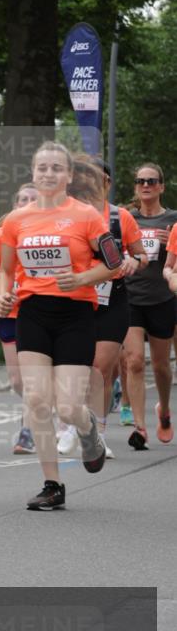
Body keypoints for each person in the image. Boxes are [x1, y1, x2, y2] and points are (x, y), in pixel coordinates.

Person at [0, 141, 122, 511]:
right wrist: (4, 295)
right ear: (33, 173)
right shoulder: (15, 220)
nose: (48, 173)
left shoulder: (86, 216)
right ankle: (52, 484)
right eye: (42, 168)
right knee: (36, 401)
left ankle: (88, 429)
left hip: (75, 315)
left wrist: (83, 279)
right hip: (33, 313)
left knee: (67, 407)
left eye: (56, 168)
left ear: (68, 176)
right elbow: (5, 270)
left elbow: (113, 263)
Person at [55, 156, 146, 459]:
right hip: (75, 301)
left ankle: (99, 432)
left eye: (99, 177)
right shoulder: (65, 215)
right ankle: (72, 424)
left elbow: (140, 254)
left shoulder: (121, 217)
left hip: (112, 301)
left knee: (100, 369)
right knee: (75, 367)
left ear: (107, 182)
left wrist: (134, 261)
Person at [123, 163, 177, 447]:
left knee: (160, 366)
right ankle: (140, 428)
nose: (146, 185)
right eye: (141, 181)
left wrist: (174, 244)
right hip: (131, 298)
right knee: (133, 362)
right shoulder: (125, 219)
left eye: (152, 181)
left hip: (162, 299)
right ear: (135, 186)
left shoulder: (173, 220)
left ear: (161, 186)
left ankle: (165, 410)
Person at [0, 183, 38, 454]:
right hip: (8, 310)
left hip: (37, 310)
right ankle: (38, 405)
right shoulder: (3, 233)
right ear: (15, 204)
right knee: (17, 380)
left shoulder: (49, 233)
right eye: (22, 199)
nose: (27, 203)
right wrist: (4, 290)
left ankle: (27, 431)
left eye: (33, 199)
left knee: (30, 378)